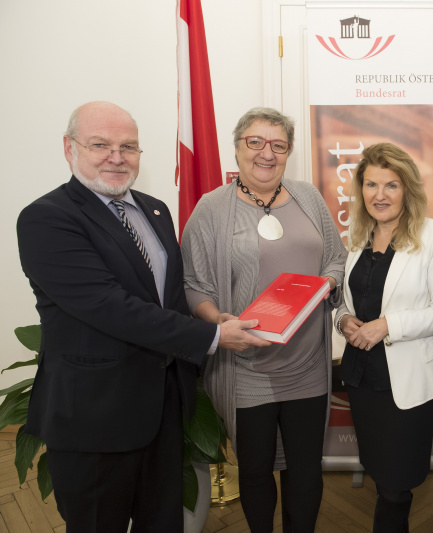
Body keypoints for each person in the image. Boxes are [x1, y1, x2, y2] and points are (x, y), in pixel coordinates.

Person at [15, 101, 269, 532]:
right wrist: (212, 336)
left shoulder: (155, 210)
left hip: (162, 411)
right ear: (69, 147)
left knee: (163, 522)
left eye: (128, 147)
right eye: (100, 145)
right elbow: (109, 307)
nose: (116, 157)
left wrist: (210, 317)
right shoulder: (47, 218)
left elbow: (167, 297)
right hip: (94, 418)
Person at [181, 107, 347, 533]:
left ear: (289, 151)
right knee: (255, 472)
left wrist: (326, 283)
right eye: (255, 142)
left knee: (306, 472)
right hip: (245, 368)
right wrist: (218, 323)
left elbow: (335, 258)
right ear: (237, 148)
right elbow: (194, 283)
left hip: (308, 365)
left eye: (278, 144)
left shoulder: (308, 197)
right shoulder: (211, 209)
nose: (266, 153)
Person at [334, 143, 433, 532]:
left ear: (408, 189)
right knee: (378, 473)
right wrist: (343, 321)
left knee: (396, 485)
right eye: (371, 184)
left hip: (407, 382)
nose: (380, 195)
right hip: (361, 377)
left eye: (391, 185)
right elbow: (347, 302)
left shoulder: (432, 234)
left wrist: (388, 324)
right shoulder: (358, 235)